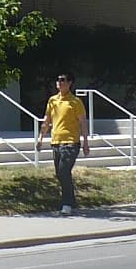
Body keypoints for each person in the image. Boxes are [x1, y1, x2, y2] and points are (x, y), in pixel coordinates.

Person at [36, 73, 90, 215]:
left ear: (70, 83)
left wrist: (85, 142)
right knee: (60, 174)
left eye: (63, 80)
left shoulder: (75, 102)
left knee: (64, 171)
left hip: (71, 142)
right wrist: (41, 137)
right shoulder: (52, 100)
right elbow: (47, 120)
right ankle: (71, 201)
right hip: (56, 142)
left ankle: (66, 203)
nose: (60, 83)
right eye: (58, 80)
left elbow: (83, 122)